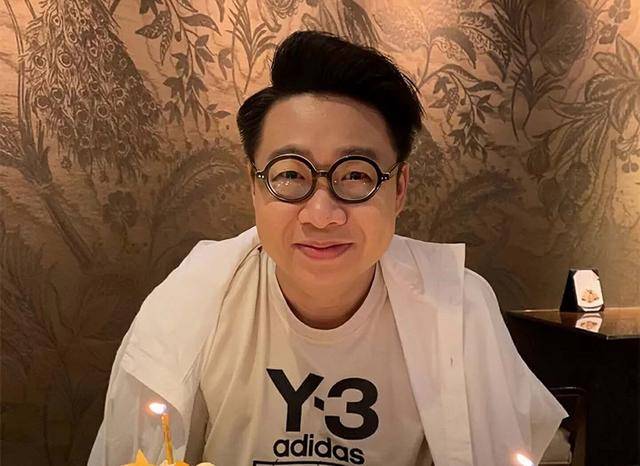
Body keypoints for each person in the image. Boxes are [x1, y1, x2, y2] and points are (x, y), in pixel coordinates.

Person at [89, 31, 566, 466]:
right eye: (290, 174)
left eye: (356, 174)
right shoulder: (190, 301)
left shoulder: (459, 308)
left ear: (399, 188)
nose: (321, 214)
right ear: (254, 186)